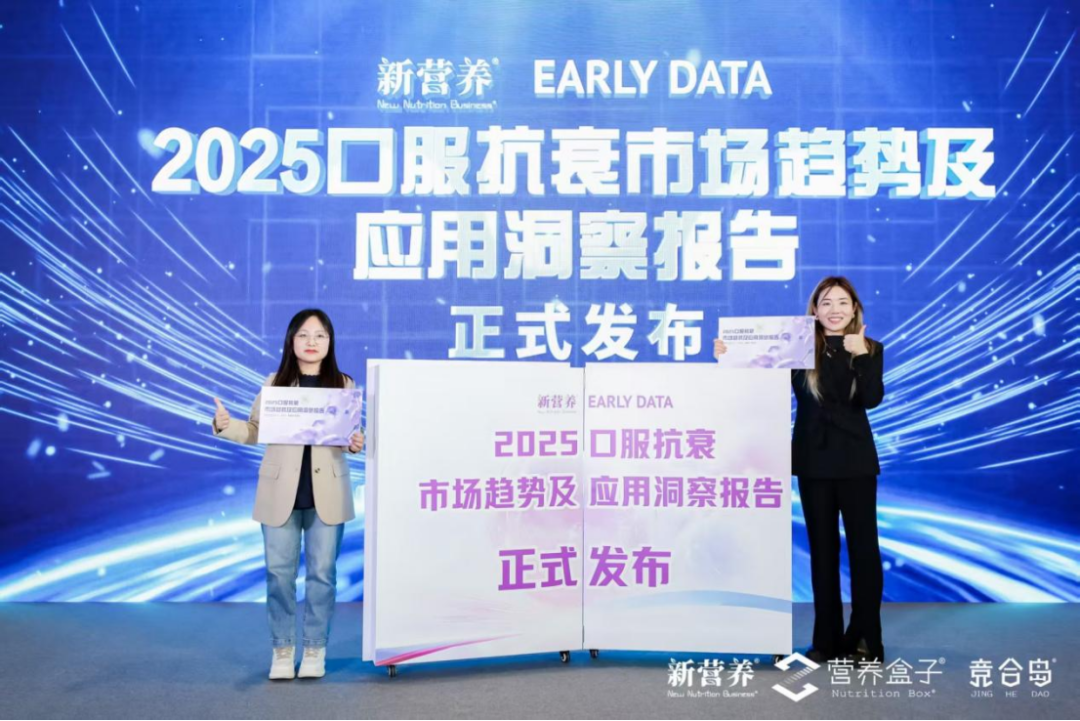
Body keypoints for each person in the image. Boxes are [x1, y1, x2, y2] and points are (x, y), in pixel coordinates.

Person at [714, 276, 885, 664]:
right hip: (812, 462)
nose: (834, 310)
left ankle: (866, 640)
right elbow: (754, 378)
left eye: (842, 302)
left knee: (864, 551)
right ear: (815, 310)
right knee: (822, 552)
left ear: (855, 309)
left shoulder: (871, 348)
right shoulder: (798, 347)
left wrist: (860, 356)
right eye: (826, 303)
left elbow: (872, 398)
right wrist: (728, 355)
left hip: (856, 463)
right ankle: (826, 640)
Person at [212, 309, 364, 680]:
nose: (312, 342)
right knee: (278, 575)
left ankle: (314, 649)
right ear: (291, 341)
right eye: (304, 335)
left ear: (330, 342)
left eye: (320, 335)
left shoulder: (343, 384)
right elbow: (254, 431)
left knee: (322, 575)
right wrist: (225, 425)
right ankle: (282, 649)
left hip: (327, 492)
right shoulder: (275, 382)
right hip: (280, 491)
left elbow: (350, 437)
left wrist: (356, 442)